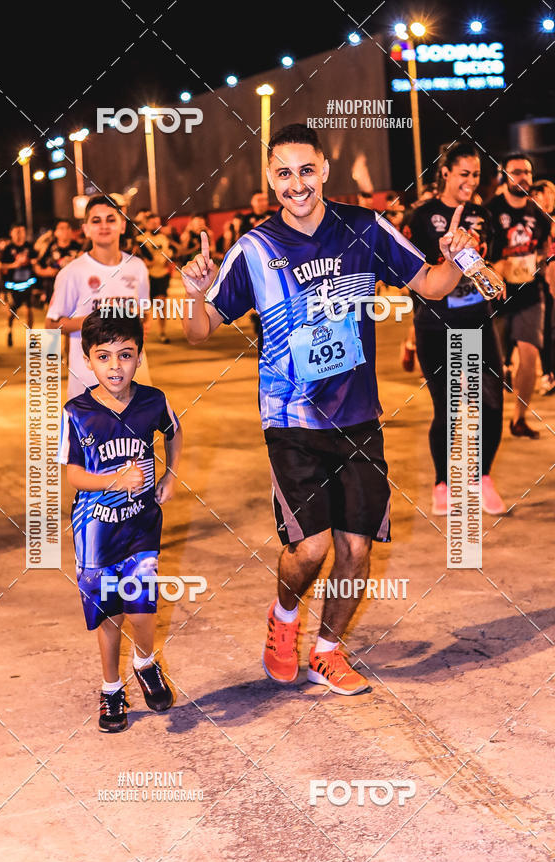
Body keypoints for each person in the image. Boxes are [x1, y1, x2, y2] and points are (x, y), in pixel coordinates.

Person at [181, 122, 477, 695]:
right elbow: (199, 332)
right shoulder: (254, 249)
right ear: (269, 179)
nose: (297, 184)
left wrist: (459, 259)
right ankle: (285, 619)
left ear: (325, 171)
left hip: (360, 415)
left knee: (356, 548)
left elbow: (433, 285)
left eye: (306, 170)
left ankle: (327, 650)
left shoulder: (364, 228)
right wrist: (197, 295)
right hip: (291, 420)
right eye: (284, 173)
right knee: (310, 548)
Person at [58, 310, 182, 732]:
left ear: (139, 356)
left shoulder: (152, 400)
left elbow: (175, 432)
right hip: (95, 530)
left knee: (143, 610)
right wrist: (113, 480)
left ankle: (145, 661)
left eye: (125, 355)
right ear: (88, 361)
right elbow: (72, 474)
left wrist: (169, 474)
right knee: (109, 614)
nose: (116, 366)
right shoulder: (76, 412)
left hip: (141, 524)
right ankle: (111, 688)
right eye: (104, 356)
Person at [408, 141, 506, 516]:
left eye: (476, 174)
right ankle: (443, 483)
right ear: (445, 172)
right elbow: (412, 272)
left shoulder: (482, 214)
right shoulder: (423, 214)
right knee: (447, 407)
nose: (470, 181)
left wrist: (497, 277)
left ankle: (482, 478)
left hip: (478, 321)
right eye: (463, 173)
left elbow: (491, 263)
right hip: (435, 326)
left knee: (492, 403)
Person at [45, 195, 152, 399]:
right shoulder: (72, 272)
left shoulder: (137, 267)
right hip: (88, 383)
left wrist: (143, 324)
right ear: (85, 229)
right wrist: (97, 321)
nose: (104, 226)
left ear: (122, 226)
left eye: (111, 219)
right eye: (96, 220)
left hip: (133, 381)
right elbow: (51, 325)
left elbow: (145, 312)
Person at [488, 153, 552, 438]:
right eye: (516, 172)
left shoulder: (538, 213)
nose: (523, 177)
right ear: (504, 176)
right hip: (495, 297)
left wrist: (542, 269)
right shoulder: (489, 212)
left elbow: (543, 250)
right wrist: (493, 267)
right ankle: (485, 422)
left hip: (529, 292)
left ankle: (519, 418)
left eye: (527, 172)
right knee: (491, 363)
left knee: (529, 355)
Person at [529, 181, 555, 395]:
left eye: (548, 194)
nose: (544, 198)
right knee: (545, 329)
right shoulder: (532, 221)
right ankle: (548, 373)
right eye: (539, 195)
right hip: (539, 280)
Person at [135, 213, 174, 343]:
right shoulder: (140, 239)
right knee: (143, 308)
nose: (154, 225)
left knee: (161, 303)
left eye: (156, 223)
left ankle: (162, 332)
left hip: (162, 275)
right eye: (151, 223)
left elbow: (168, 254)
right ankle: (140, 333)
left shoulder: (163, 238)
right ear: (145, 224)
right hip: (147, 277)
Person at [0, 223, 38, 346]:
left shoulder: (30, 247)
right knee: (12, 311)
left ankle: (31, 336)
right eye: (16, 232)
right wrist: (13, 265)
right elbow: (1, 266)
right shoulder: (7, 249)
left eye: (21, 232)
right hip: (13, 286)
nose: (19, 235)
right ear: (11, 234)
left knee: (29, 309)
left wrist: (33, 262)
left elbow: (36, 261)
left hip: (28, 283)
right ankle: (9, 330)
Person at [34, 218, 81, 306]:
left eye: (68, 228)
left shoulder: (79, 248)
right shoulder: (50, 248)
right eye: (62, 228)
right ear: (55, 232)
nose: (65, 231)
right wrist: (46, 272)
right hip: (53, 289)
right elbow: (37, 267)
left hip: (74, 290)